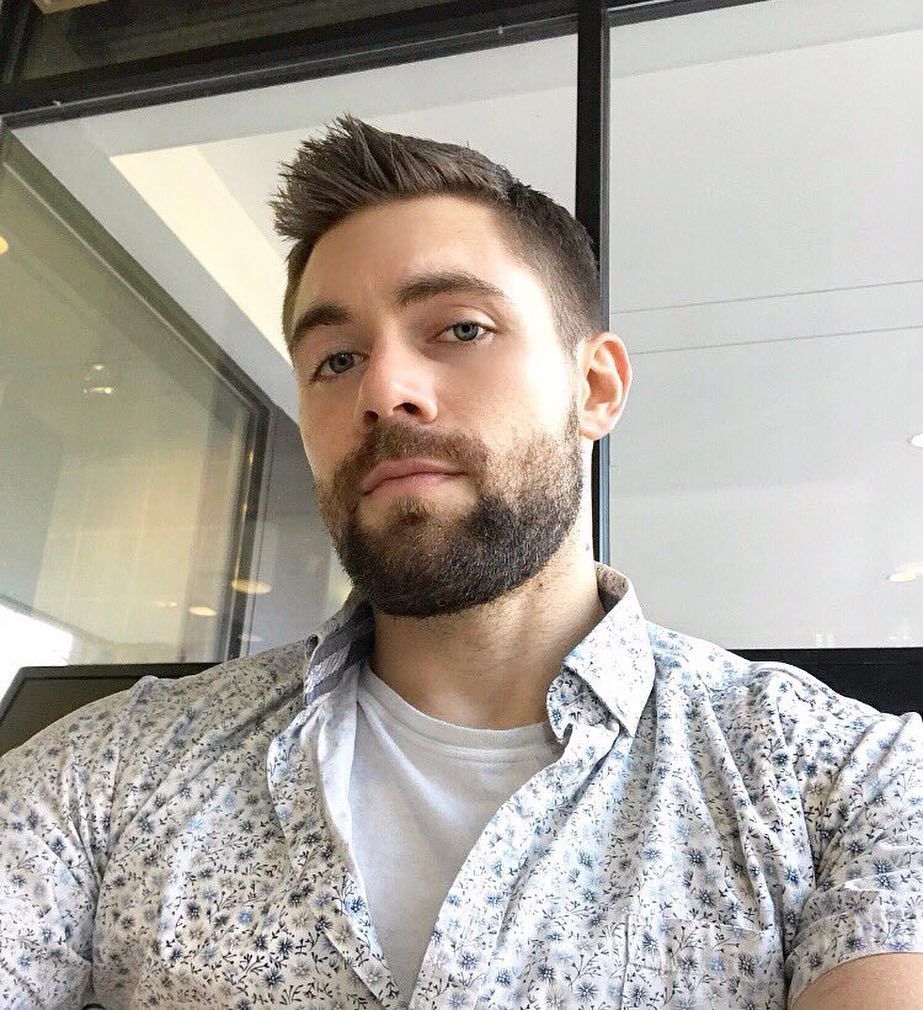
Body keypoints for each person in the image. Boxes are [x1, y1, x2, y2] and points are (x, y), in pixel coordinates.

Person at [0, 115, 920, 1010]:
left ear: (594, 386)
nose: (383, 389)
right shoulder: (102, 776)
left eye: (461, 329)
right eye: (336, 359)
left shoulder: (844, 782)